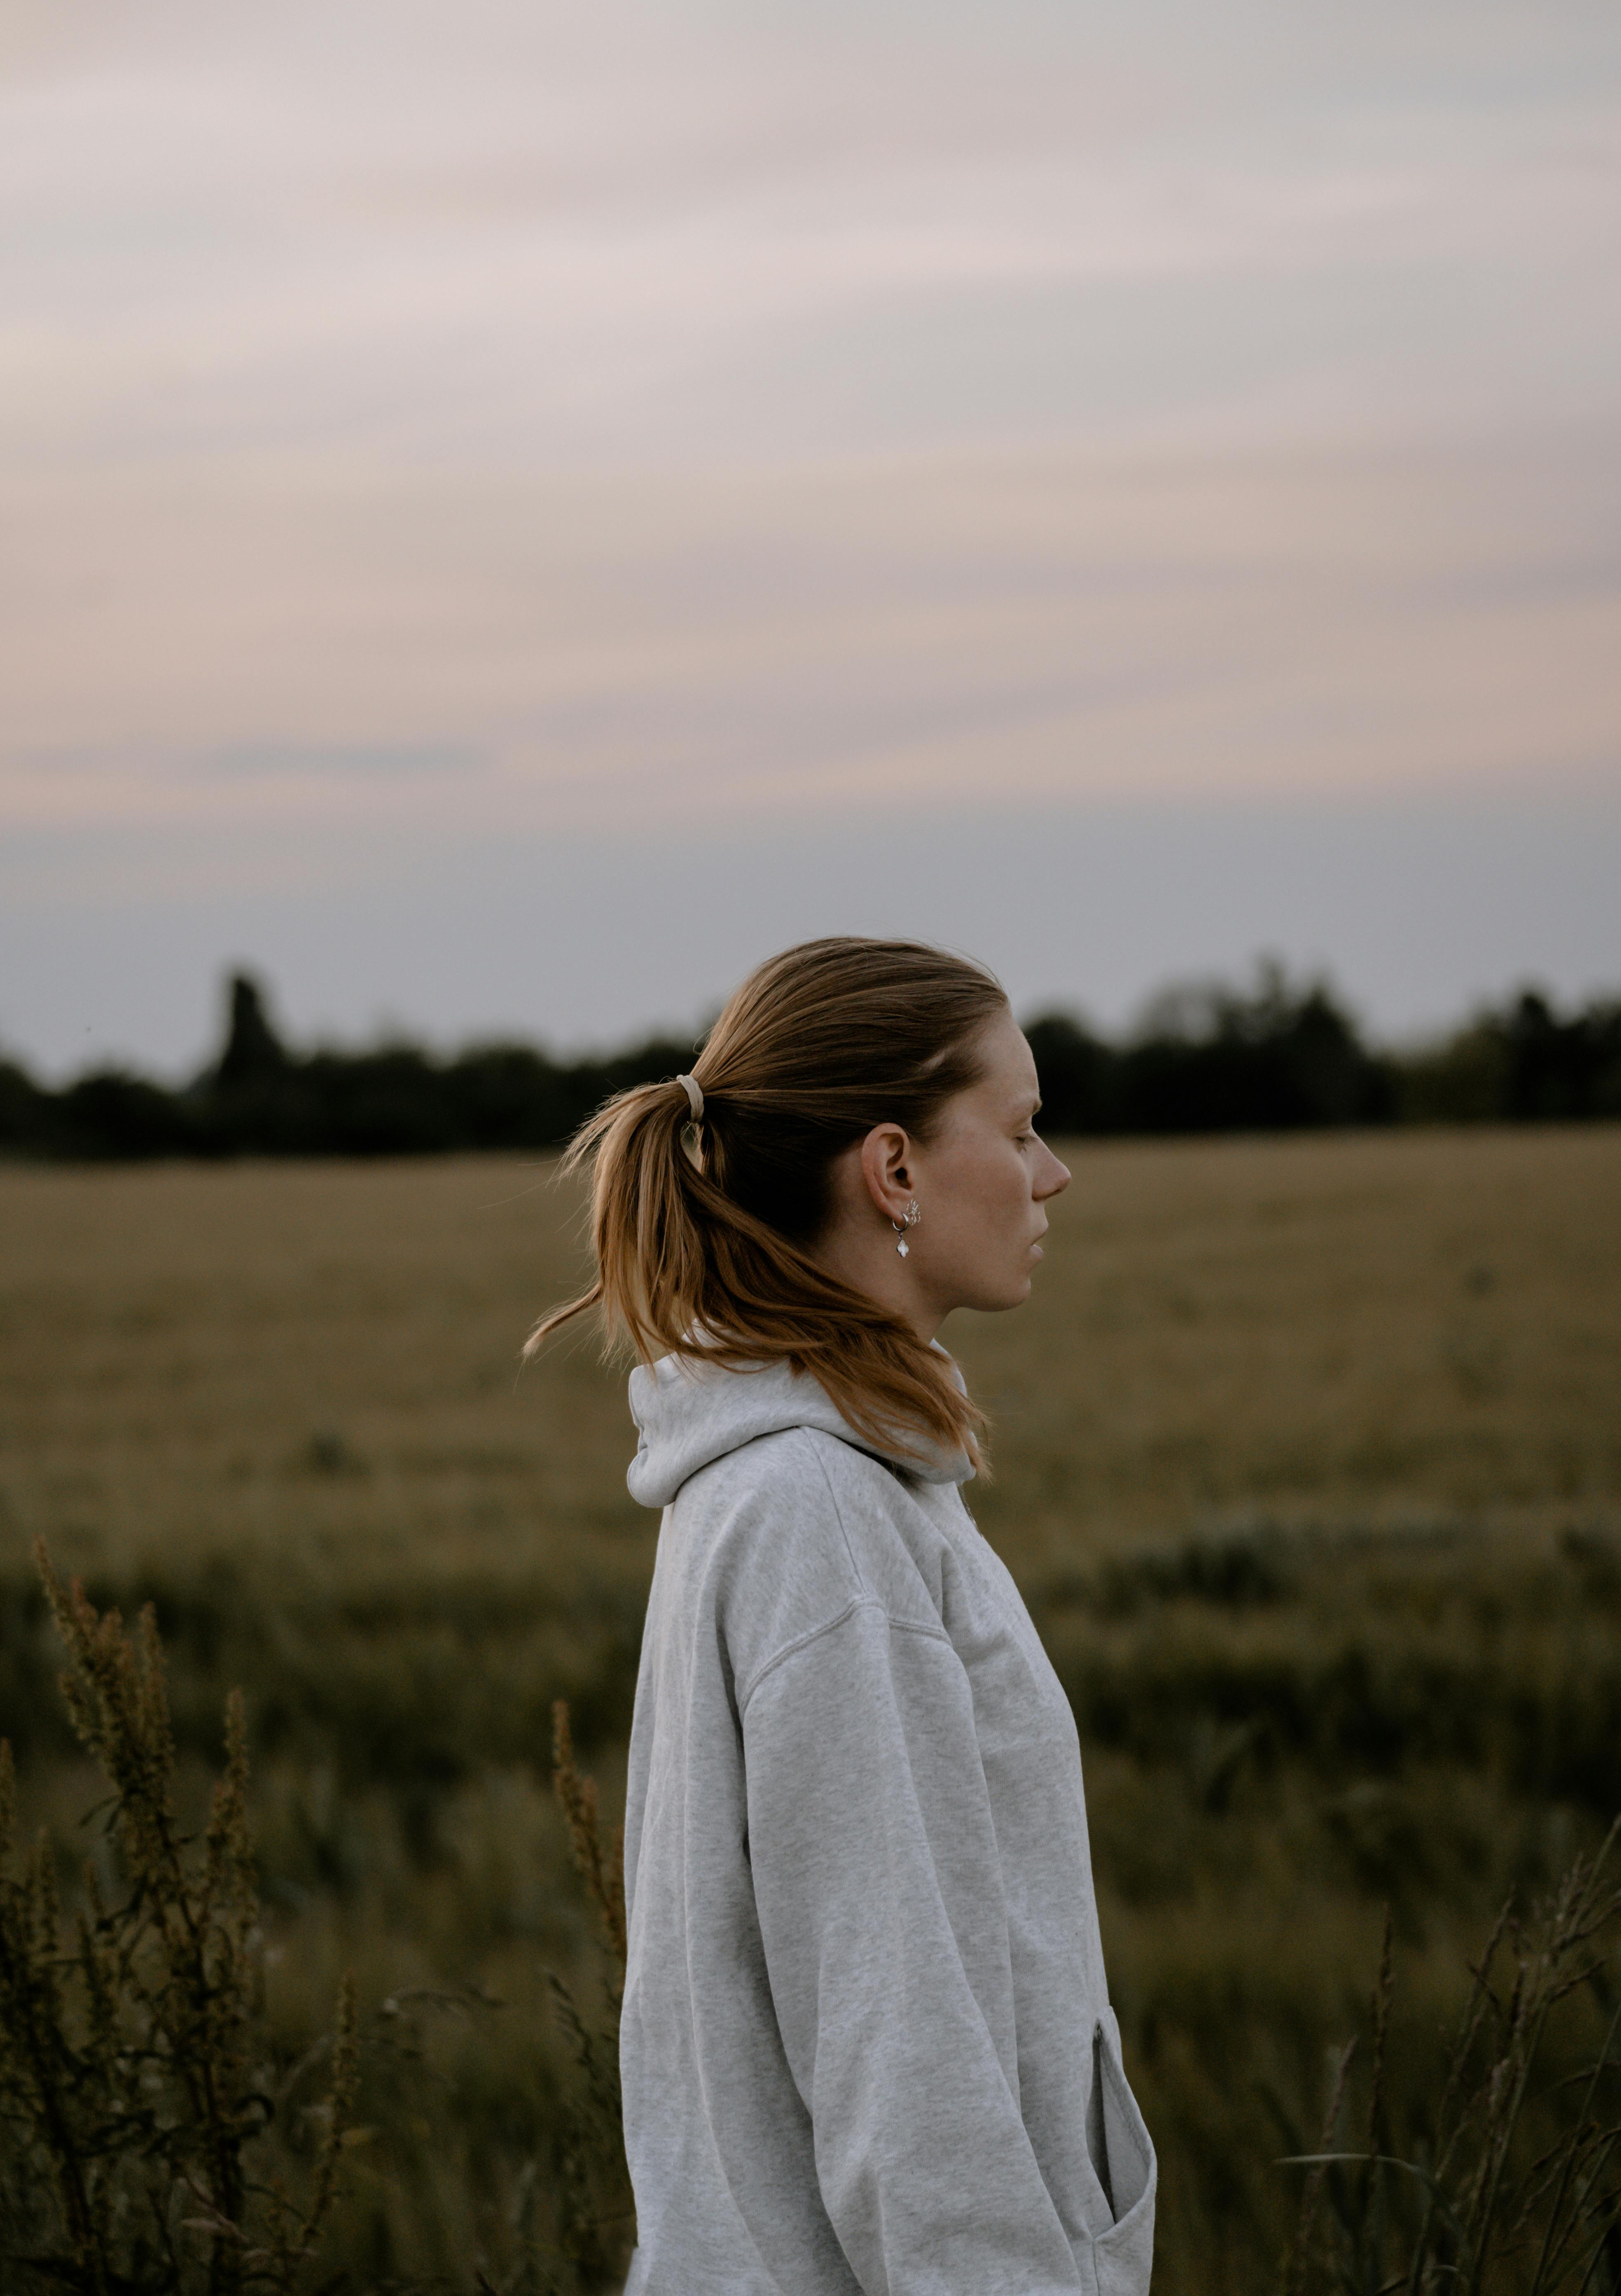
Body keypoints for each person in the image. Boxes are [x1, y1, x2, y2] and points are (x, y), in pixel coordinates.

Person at [527, 936, 1155, 2296]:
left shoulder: (818, 1476)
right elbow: (904, 2058)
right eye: (1023, 1126)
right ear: (896, 1170)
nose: (1053, 1175)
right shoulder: (819, 1512)